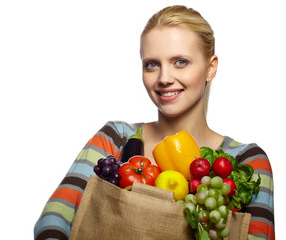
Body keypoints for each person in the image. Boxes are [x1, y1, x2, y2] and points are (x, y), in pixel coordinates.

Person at [34, 5, 274, 240]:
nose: (164, 78)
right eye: (152, 64)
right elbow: (53, 218)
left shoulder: (246, 160)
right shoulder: (117, 137)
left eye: (180, 62)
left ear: (210, 68)